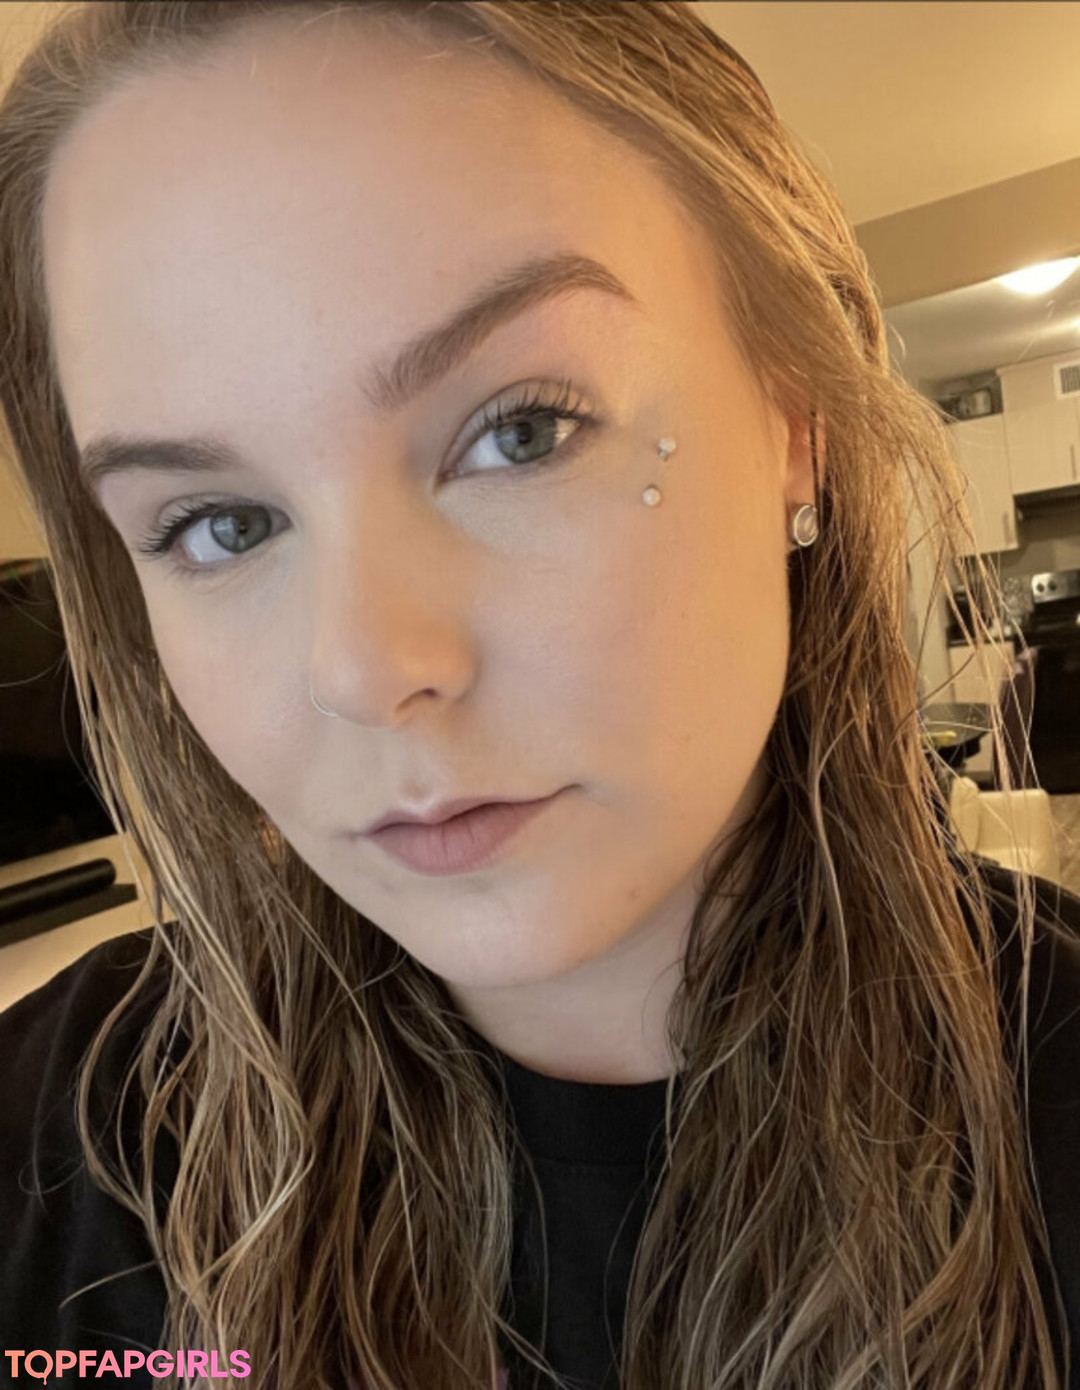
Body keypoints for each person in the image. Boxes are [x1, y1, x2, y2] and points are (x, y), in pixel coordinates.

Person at [0, 3, 1078, 1387]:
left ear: (794, 421)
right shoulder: (53, 1145)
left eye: (520, 431)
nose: (365, 670)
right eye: (221, 524)